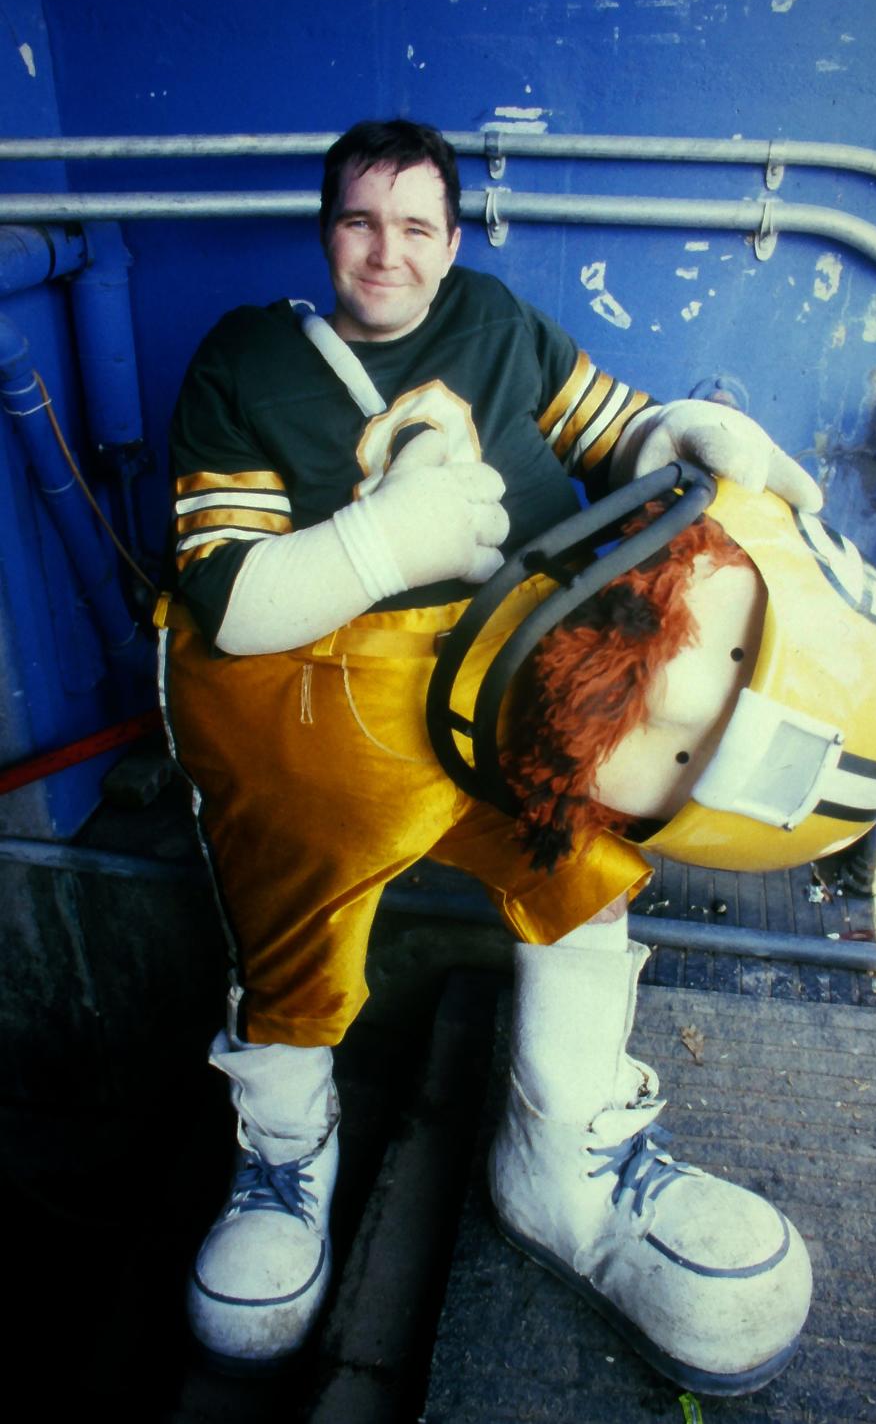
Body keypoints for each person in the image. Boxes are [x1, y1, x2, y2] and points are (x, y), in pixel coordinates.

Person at [157, 119, 833, 1395]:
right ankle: (289, 1155)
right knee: (293, 925)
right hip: (329, 724)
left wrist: (681, 437)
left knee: (583, 865)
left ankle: (565, 1148)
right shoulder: (247, 361)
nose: (389, 252)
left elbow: (611, 438)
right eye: (361, 221)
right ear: (326, 232)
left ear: (452, 239)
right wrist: (379, 544)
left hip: (513, 691)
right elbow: (229, 600)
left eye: (417, 226)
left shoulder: (498, 320)